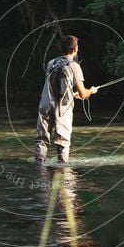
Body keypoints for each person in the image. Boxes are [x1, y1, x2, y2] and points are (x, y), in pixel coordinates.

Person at [34, 35, 98, 163]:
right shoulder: (74, 66)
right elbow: (84, 93)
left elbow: (55, 83)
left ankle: (39, 169)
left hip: (45, 104)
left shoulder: (50, 63)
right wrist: (92, 90)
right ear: (75, 49)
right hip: (62, 108)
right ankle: (63, 174)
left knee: (42, 139)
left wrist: (71, 93)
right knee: (63, 142)